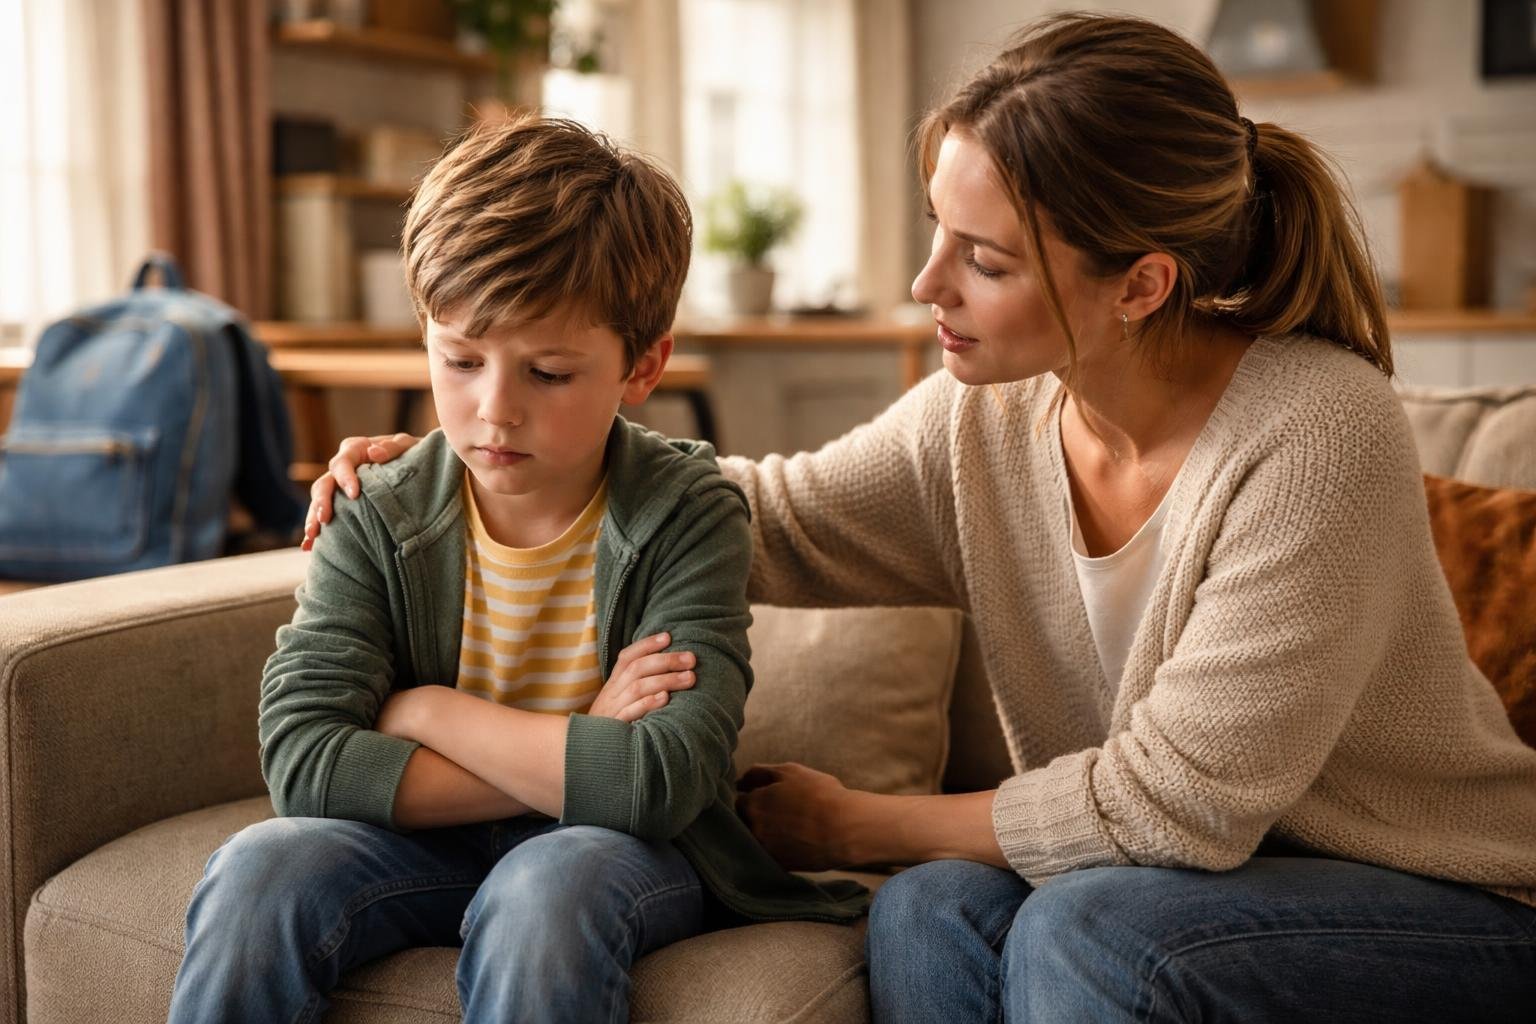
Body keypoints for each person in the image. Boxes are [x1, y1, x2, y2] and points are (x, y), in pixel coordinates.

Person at [307, 13, 1536, 1022]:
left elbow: (1177, 810)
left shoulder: (1321, 429)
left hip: (1441, 896)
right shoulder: (982, 423)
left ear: (1142, 284)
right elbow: (757, 517)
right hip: (1185, 885)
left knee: (1088, 928)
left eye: (985, 261)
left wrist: (856, 820)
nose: (925, 285)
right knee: (922, 908)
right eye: (936, 233)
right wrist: (481, 465)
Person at [167, 115, 866, 1024]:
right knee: (260, 867)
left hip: (611, 854)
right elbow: (304, 759)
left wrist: (426, 714)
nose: (494, 412)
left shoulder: (686, 512)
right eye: (460, 360)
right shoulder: (378, 507)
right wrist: (581, 732)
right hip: (426, 847)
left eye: (547, 373)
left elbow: (660, 782)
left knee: (548, 888)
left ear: (642, 366)